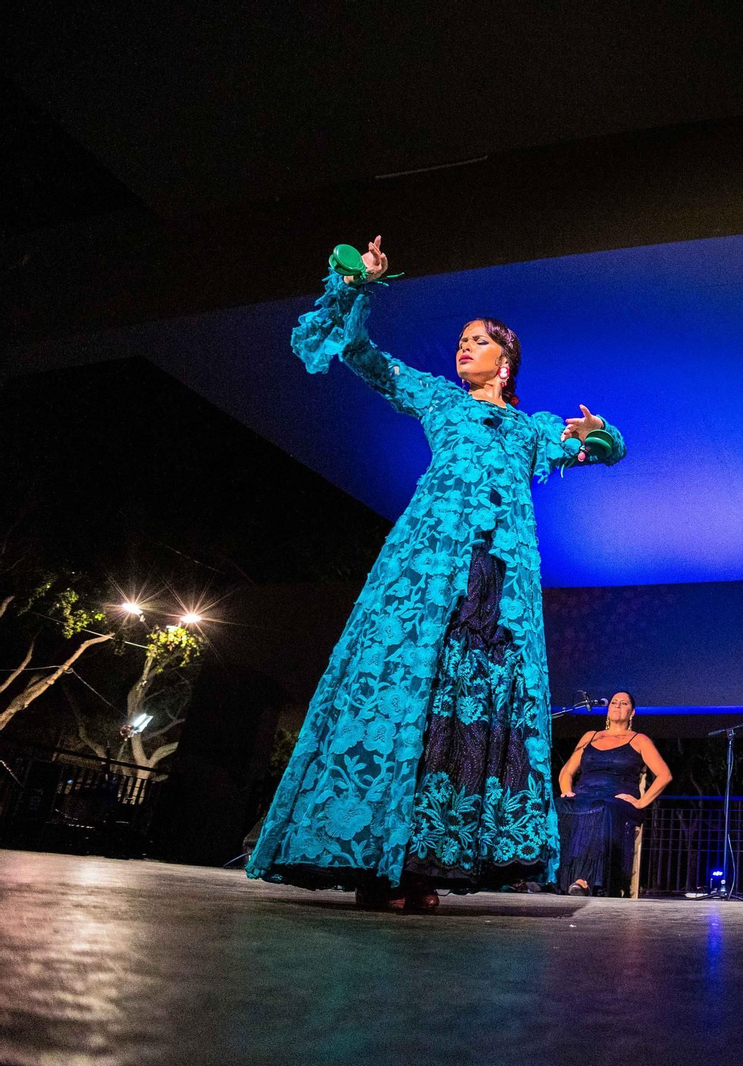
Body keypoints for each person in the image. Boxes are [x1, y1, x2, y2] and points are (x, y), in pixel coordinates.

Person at [247, 237, 625, 910]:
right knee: (409, 700)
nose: (464, 349)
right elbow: (360, 356)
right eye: (461, 340)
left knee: (469, 710)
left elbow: (605, 450)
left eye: (478, 342)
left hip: (498, 584)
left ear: (506, 362)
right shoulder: (439, 400)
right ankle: (376, 863)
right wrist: (357, 287)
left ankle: (426, 865)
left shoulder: (533, 430)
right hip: (427, 568)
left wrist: (601, 433)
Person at [554, 691, 672, 896]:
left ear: (632, 712)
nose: (617, 706)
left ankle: (586, 880)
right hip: (584, 797)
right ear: (608, 710)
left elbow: (664, 775)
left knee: (602, 808)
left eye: (623, 703)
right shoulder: (590, 736)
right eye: (614, 702)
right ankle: (549, 877)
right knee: (558, 805)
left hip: (618, 802)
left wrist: (641, 802)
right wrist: (567, 792)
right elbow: (567, 771)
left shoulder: (639, 740)